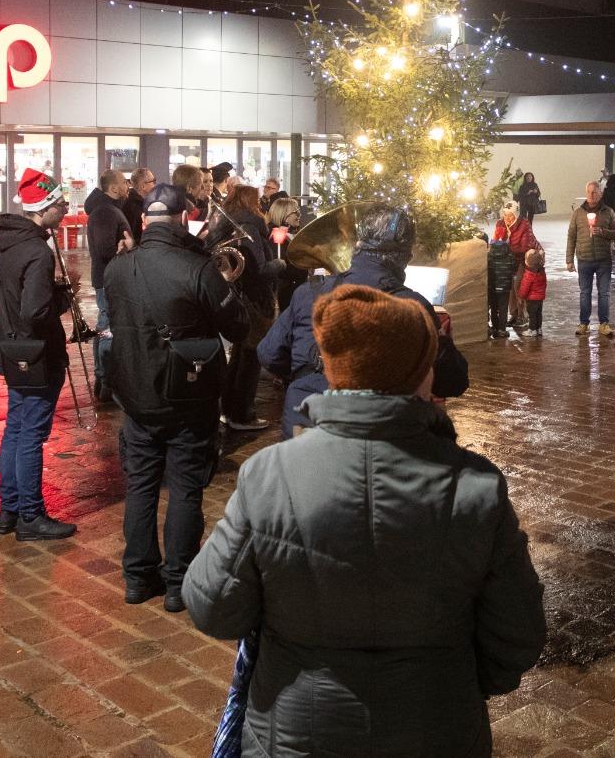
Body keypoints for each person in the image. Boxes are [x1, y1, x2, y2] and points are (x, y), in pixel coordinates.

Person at [184, 284, 547, 756]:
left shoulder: (269, 474)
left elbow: (212, 605)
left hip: (296, 733)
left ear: (336, 370)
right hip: (436, 728)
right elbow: (517, 632)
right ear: (420, 375)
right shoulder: (475, 485)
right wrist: (459, 682)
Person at [105, 183, 249, 610]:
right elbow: (237, 327)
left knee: (141, 487)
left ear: (144, 221)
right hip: (189, 393)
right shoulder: (197, 267)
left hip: (136, 394)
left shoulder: (118, 268)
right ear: (184, 217)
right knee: (186, 488)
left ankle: (137, 578)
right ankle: (176, 584)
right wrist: (223, 285)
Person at [259, 204, 469, 438]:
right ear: (407, 256)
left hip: (302, 426)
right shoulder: (413, 306)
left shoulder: (307, 293)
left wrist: (308, 374)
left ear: (358, 244)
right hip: (375, 436)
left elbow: (268, 354)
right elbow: (453, 381)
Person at [0, 169, 76, 542]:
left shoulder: (3, 241)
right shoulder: (38, 250)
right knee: (31, 434)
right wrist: (61, 297)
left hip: (11, 347)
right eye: (61, 203)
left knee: (16, 428)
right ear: (46, 207)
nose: (66, 208)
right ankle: (30, 514)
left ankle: (9, 509)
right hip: (38, 353)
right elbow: (35, 311)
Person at [217, 183, 278, 431]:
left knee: (240, 355)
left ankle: (230, 409)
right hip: (254, 298)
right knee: (250, 358)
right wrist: (282, 265)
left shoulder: (231, 222)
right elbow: (259, 268)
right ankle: (243, 413)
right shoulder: (251, 225)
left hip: (240, 296)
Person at [85, 169, 135, 404]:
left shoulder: (108, 209)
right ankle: (105, 380)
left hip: (109, 277)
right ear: (113, 188)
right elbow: (105, 248)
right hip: (108, 279)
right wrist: (126, 248)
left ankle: (104, 379)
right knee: (108, 327)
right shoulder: (105, 211)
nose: (128, 186)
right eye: (124, 182)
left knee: (107, 325)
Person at [565, 182, 615, 337]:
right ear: (586, 193)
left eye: (595, 192)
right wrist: (569, 259)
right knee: (585, 293)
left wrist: (603, 232)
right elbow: (571, 236)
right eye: (589, 192)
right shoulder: (578, 213)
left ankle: (604, 324)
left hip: (604, 259)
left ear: (600, 193)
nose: (592, 195)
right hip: (584, 259)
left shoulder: (608, 212)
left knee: (604, 293)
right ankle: (584, 323)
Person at [493, 201, 540, 329]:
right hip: (507, 260)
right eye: (505, 215)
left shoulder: (524, 224)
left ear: (516, 215)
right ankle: (513, 314)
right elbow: (496, 241)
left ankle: (522, 315)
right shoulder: (500, 223)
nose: (507, 218)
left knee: (518, 284)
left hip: (522, 260)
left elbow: (524, 247)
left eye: (511, 215)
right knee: (508, 286)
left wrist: (506, 246)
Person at [265, 196, 307, 312]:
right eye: (295, 211)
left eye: (299, 210)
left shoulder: (293, 233)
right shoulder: (276, 235)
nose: (299, 214)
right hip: (285, 294)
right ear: (283, 214)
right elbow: (281, 267)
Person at [517, 248, 547, 338]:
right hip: (540, 298)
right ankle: (539, 329)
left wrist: (521, 296)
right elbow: (545, 284)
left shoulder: (529, 274)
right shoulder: (542, 272)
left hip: (531, 298)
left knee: (532, 314)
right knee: (538, 313)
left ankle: (532, 330)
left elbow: (524, 287)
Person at [122, 167, 155, 240]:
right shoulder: (135, 208)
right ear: (143, 186)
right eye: (153, 181)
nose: (154, 185)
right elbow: (136, 236)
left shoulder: (129, 201)